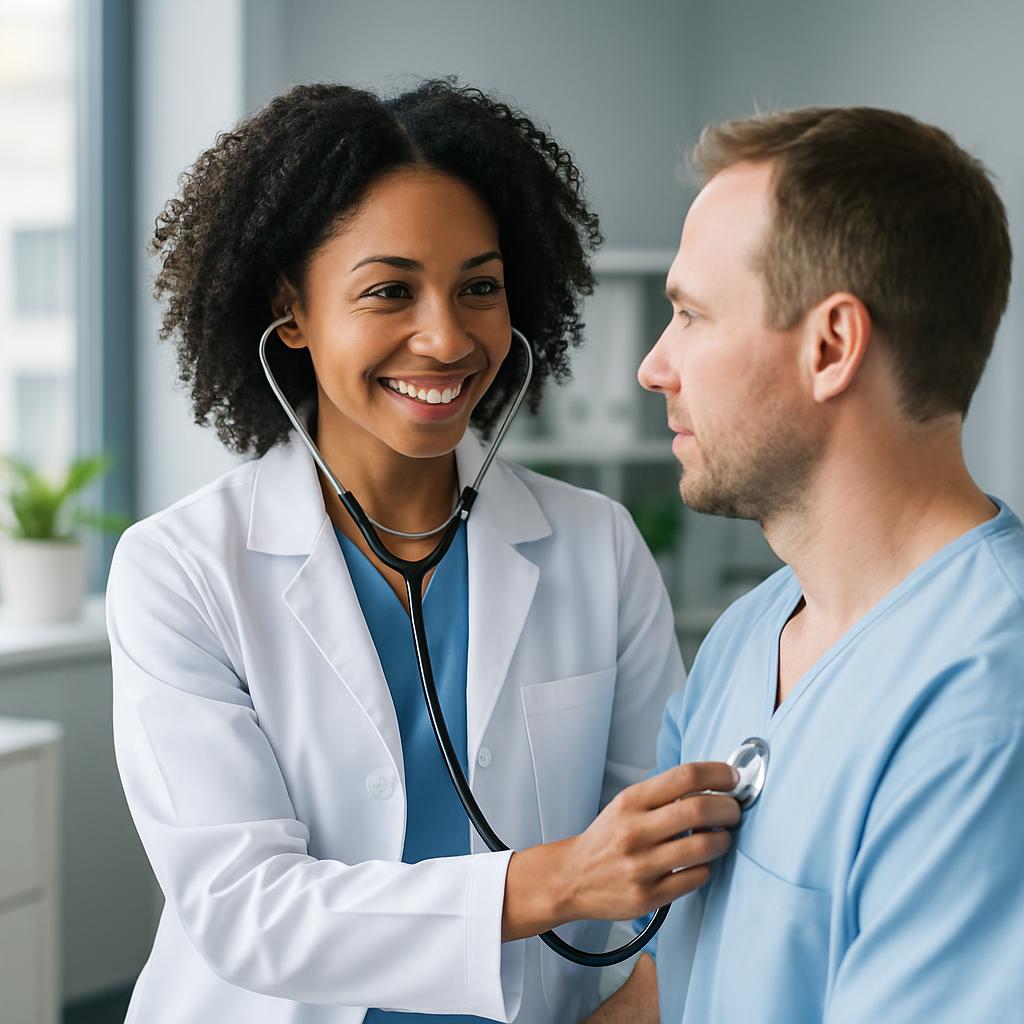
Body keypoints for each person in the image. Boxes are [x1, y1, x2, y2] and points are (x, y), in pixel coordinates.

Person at [106, 80, 742, 1024]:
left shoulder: (594, 547)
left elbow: (671, 862)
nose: (446, 337)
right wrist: (557, 881)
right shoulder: (183, 569)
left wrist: (639, 1001)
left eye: (478, 288)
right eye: (389, 291)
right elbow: (246, 910)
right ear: (291, 310)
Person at [587, 106, 1024, 1023]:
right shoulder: (749, 635)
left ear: (831, 346)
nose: (653, 367)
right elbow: (669, 984)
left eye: (690, 316)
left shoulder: (989, 708)